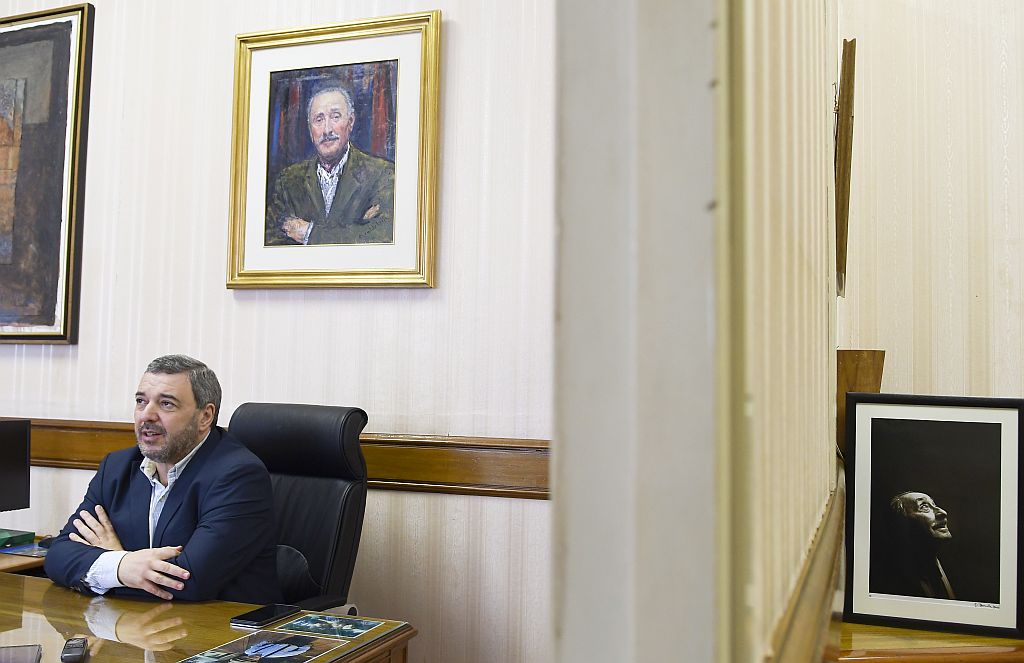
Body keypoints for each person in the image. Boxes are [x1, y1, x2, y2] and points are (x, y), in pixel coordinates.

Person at [44, 355, 280, 603]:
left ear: (205, 417)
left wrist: (113, 564)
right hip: (135, 621)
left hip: (217, 623)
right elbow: (59, 555)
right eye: (141, 401)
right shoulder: (117, 467)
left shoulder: (239, 476)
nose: (147, 415)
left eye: (166, 404)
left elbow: (189, 581)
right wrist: (122, 564)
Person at [265, 86, 395, 246]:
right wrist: (356, 229)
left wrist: (308, 233)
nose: (327, 130)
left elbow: (383, 236)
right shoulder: (288, 180)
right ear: (310, 129)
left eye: (335, 117)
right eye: (318, 120)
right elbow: (270, 241)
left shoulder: (383, 174)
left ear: (350, 122)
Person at [871, 490, 956, 600]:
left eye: (934, 505)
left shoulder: (958, 573)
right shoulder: (886, 582)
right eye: (924, 507)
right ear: (902, 524)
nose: (942, 512)